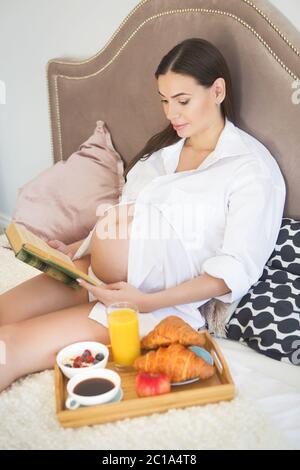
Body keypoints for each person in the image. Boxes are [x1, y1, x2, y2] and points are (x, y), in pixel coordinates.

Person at [0, 38, 285, 392]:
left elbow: (232, 272)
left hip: (147, 306)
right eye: (164, 101)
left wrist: (144, 301)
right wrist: (66, 251)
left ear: (217, 91)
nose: (171, 113)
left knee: (7, 347)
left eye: (182, 101)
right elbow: (121, 217)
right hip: (89, 273)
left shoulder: (250, 169)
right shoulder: (162, 153)